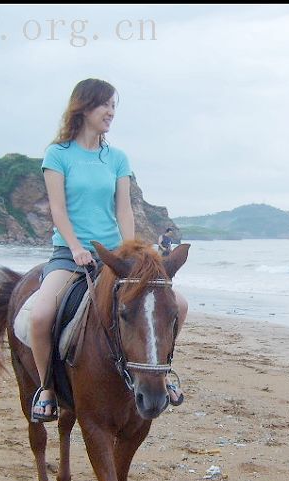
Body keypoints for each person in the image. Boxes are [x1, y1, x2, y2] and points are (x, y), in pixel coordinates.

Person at [30, 78, 188, 422]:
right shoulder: (58, 155)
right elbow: (58, 210)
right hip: (69, 256)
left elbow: (124, 210)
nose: (111, 112)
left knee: (180, 305)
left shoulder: (117, 158)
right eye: (105, 105)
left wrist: (129, 252)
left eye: (114, 106)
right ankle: (47, 389)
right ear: (83, 107)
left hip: (114, 258)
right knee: (40, 317)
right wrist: (75, 248)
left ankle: (161, 372)